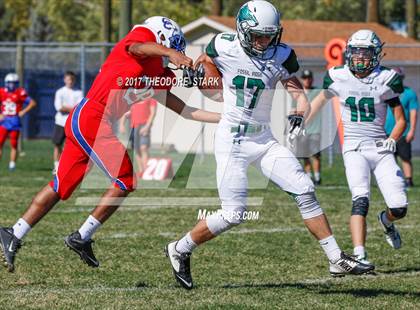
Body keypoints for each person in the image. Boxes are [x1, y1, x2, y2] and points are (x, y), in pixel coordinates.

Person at [165, 0, 373, 290]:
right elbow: (205, 62)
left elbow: (296, 91)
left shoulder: (282, 54)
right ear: (242, 30)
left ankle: (335, 258)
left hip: (262, 138)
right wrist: (201, 76)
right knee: (233, 214)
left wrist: (299, 110)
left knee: (304, 188)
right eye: (258, 35)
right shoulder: (223, 45)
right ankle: (180, 247)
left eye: (269, 35)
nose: (264, 42)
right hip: (233, 139)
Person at [0, 16, 220, 273]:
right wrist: (170, 52)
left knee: (61, 185)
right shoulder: (138, 44)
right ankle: (81, 237)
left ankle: (13, 232)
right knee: (126, 180)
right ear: (161, 38)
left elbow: (184, 109)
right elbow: (139, 48)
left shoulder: (159, 74)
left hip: (91, 120)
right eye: (171, 46)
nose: (174, 53)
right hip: (92, 116)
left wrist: (224, 118)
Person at [308, 30, 408, 264]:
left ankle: (387, 220)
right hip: (353, 147)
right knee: (360, 199)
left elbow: (401, 120)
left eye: (366, 53)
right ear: (348, 54)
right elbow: (319, 102)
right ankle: (359, 254)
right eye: (356, 53)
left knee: (400, 207)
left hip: (380, 148)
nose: (360, 58)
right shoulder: (337, 76)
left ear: (376, 55)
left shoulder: (386, 79)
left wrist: (392, 138)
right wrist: (301, 120)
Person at [384, 67, 418, 188]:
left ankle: (409, 180)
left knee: (405, 157)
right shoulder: (385, 92)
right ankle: (392, 181)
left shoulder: (409, 93)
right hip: (387, 131)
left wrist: (412, 130)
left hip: (403, 132)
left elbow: (413, 113)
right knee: (389, 159)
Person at [0, 73, 37, 171]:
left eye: (14, 83)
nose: (12, 85)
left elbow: (32, 103)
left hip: (14, 121)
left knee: (13, 143)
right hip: (4, 121)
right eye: (10, 83)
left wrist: (23, 111)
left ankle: (12, 165)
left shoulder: (20, 92)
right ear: (6, 83)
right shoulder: (2, 92)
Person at [52, 71, 83, 174]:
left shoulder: (78, 92)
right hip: (60, 122)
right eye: (68, 79)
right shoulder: (60, 92)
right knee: (57, 144)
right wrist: (72, 109)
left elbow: (80, 108)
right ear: (64, 79)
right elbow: (59, 108)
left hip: (72, 123)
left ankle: (66, 166)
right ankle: (57, 166)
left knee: (70, 146)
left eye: (72, 79)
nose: (70, 81)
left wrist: (68, 108)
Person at [119, 98, 157, 178]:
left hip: (144, 125)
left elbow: (153, 113)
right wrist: (122, 124)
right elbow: (126, 113)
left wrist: (147, 126)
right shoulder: (133, 99)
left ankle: (147, 171)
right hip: (134, 127)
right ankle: (141, 171)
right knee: (137, 150)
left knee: (144, 148)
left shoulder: (151, 99)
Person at [298, 69, 322, 185]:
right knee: (305, 155)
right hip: (302, 130)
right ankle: (309, 177)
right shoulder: (299, 94)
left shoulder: (317, 92)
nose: (307, 80)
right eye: (305, 78)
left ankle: (317, 177)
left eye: (309, 78)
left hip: (315, 129)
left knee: (315, 154)